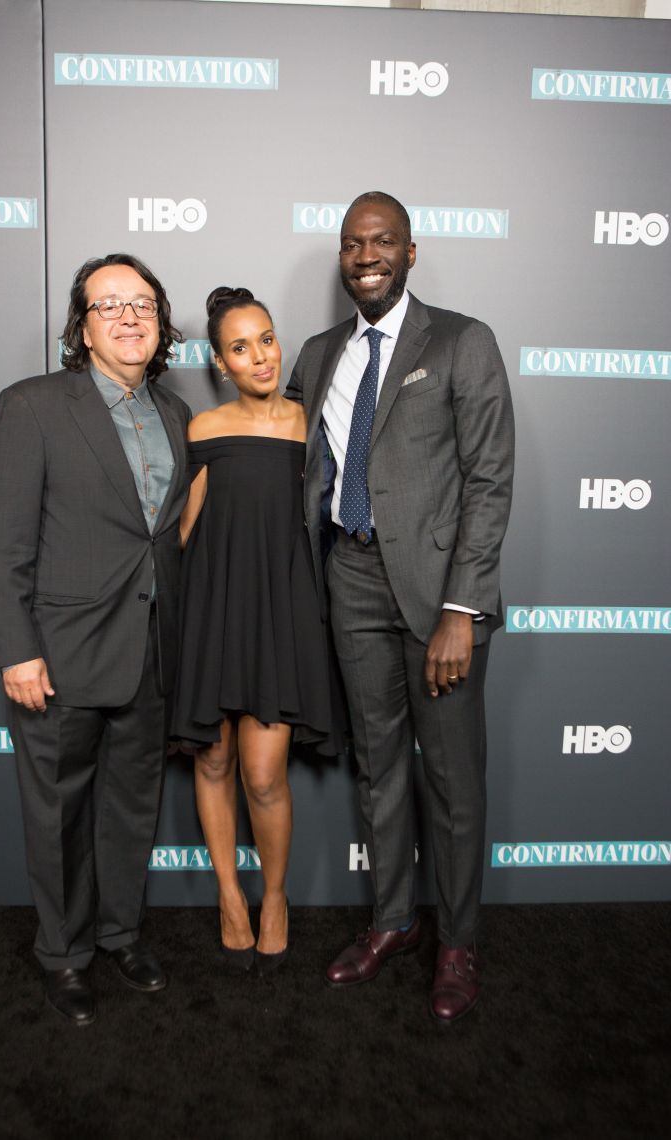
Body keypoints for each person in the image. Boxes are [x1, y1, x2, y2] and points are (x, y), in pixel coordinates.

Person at [286, 191, 514, 1021]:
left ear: (410, 253)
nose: (367, 256)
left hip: (438, 594)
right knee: (379, 768)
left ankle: (457, 943)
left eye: (383, 241)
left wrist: (463, 608)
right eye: (354, 243)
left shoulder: (461, 341)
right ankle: (393, 922)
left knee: (451, 780)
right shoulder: (317, 355)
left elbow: (490, 480)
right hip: (350, 579)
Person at [0, 253, 191, 1026]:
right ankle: (64, 954)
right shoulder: (32, 406)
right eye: (110, 305)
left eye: (144, 305)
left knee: (131, 809)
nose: (130, 317)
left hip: (151, 652)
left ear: (161, 324)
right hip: (58, 656)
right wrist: (16, 649)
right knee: (59, 813)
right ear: (83, 328)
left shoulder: (176, 415)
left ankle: (119, 933)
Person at [173, 287, 335, 975]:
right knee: (212, 761)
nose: (260, 356)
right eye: (240, 348)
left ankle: (274, 896)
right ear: (220, 363)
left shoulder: (311, 424)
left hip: (280, 614)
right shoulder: (203, 430)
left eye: (266, 339)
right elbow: (185, 532)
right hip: (212, 611)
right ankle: (228, 895)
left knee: (264, 775)